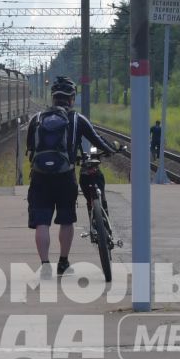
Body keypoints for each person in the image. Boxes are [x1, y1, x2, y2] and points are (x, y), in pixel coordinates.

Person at [26, 77, 118, 275]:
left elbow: (30, 149)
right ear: (72, 98)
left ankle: (44, 266)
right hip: (65, 176)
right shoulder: (77, 119)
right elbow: (97, 139)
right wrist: (111, 150)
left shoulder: (37, 119)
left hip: (40, 177)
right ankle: (63, 262)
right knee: (66, 219)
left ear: (53, 98)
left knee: (42, 222)